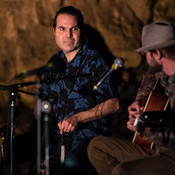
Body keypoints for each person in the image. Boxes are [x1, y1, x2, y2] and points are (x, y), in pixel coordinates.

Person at [39, 6, 120, 175]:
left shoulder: (94, 59)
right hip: (57, 138)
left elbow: (114, 104)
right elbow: (43, 102)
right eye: (62, 29)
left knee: (71, 164)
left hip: (89, 137)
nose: (68, 35)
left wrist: (77, 118)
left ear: (80, 31)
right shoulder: (54, 62)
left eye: (73, 29)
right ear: (54, 31)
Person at [87, 20, 175, 175]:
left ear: (158, 54)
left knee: (122, 171)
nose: (145, 58)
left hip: (171, 156)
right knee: (97, 147)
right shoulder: (161, 72)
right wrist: (141, 104)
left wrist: (146, 129)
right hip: (155, 149)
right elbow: (149, 81)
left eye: (145, 53)